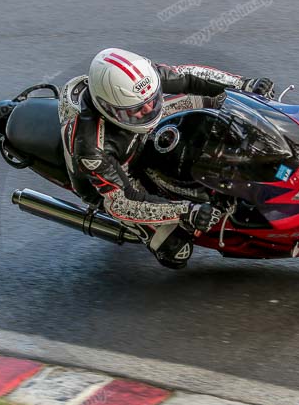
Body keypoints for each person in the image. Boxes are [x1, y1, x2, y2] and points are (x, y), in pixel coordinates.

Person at [58, 48, 274, 268]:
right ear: (109, 109)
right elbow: (122, 202)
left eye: (152, 100)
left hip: (141, 135)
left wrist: (244, 85)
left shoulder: (141, 81)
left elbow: (187, 76)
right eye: (138, 109)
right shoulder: (92, 148)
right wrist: (186, 211)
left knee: (219, 101)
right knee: (177, 250)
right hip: (120, 174)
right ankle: (157, 237)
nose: (150, 108)